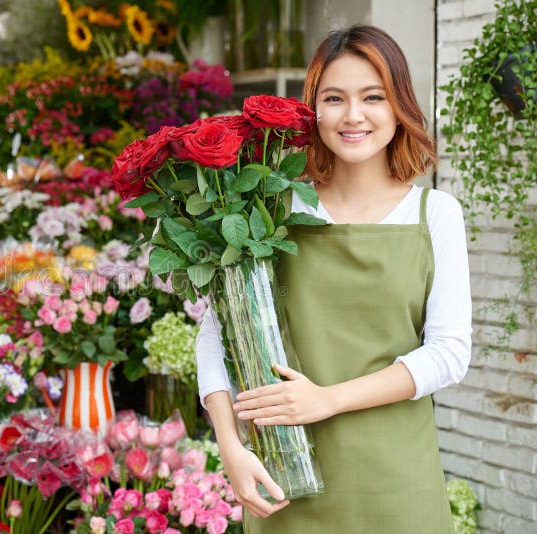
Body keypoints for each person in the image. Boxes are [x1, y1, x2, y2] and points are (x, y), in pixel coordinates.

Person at [196, 25, 471, 533]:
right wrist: (231, 448)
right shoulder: (270, 209)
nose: (353, 116)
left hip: (397, 483)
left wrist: (327, 399)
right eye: (334, 98)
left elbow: (448, 354)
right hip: (287, 482)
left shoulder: (435, 213)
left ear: (399, 106)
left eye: (373, 97)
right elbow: (218, 332)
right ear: (312, 111)